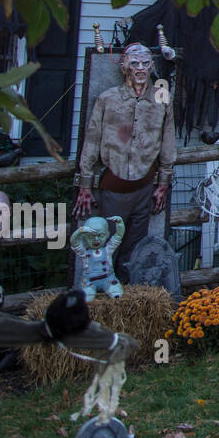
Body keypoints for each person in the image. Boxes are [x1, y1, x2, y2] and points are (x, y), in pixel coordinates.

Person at [75, 43, 175, 281]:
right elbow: (92, 140)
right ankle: (101, 290)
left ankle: (129, 293)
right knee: (107, 243)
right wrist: (85, 184)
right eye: (134, 63)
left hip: (145, 186)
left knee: (135, 249)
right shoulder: (107, 99)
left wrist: (163, 182)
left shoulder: (162, 99)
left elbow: (168, 140)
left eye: (145, 64)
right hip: (114, 186)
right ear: (124, 68)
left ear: (151, 67)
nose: (140, 68)